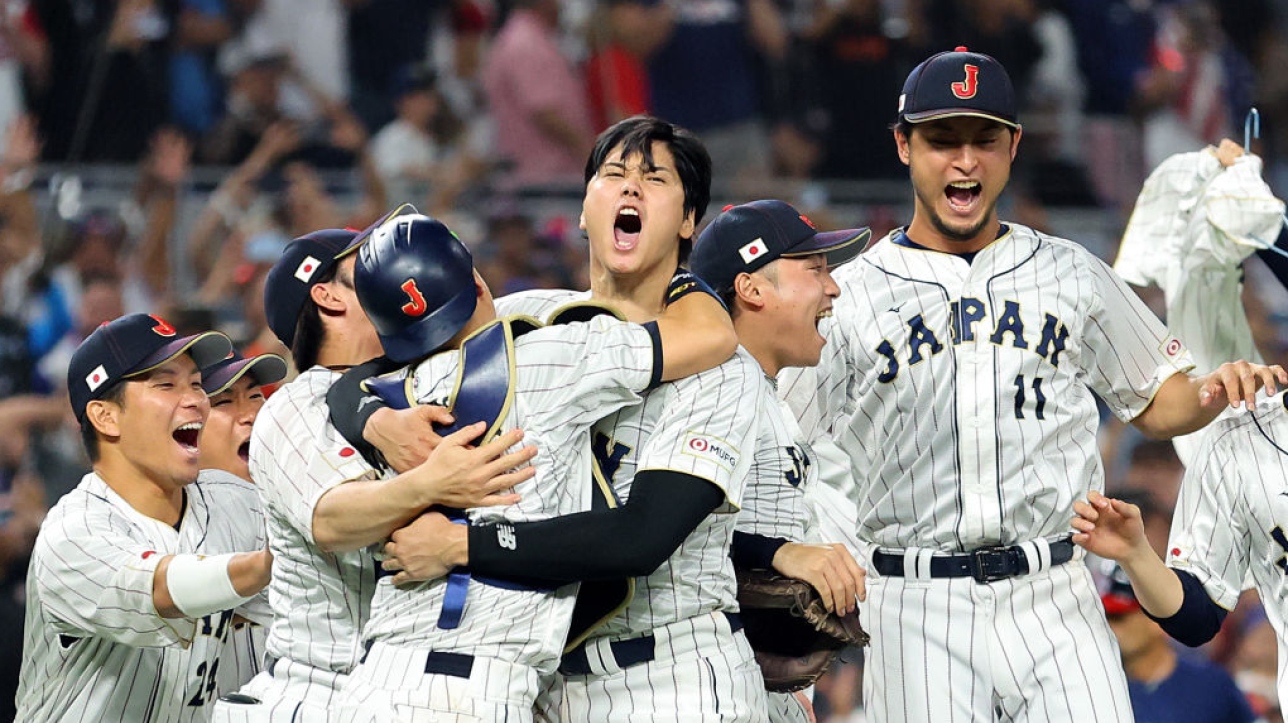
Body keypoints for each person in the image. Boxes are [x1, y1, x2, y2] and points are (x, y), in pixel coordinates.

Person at [776, 46, 1286, 723]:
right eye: (942, 139)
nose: (965, 160)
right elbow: (779, 444)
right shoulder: (854, 297)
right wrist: (790, 548)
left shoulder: (1071, 271)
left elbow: (1156, 400)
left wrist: (1211, 390)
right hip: (915, 597)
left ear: (1013, 145)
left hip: (1056, 591)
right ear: (903, 144)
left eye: (985, 139)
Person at [345, 115, 770, 721]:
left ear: (687, 220)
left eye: (654, 179)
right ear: (582, 209)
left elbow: (641, 538)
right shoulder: (526, 319)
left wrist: (462, 545)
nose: (630, 189)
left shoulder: (722, 367)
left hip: (669, 675)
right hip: (538, 683)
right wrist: (374, 421)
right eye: (614, 174)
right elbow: (356, 378)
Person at [210, 221, 541, 722]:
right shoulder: (298, 403)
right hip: (316, 690)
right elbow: (332, 519)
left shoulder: (423, 378)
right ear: (328, 297)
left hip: (414, 690)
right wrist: (431, 483)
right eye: (361, 265)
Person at [16, 313, 273, 721]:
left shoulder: (233, 502)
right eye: (167, 384)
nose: (194, 399)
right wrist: (266, 563)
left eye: (195, 383)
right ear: (106, 416)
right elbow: (161, 590)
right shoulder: (72, 533)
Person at [688, 199, 871, 722]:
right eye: (814, 270)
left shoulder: (761, 392)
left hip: (748, 676)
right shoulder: (716, 390)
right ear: (751, 289)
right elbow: (657, 526)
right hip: (702, 679)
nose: (833, 287)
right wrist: (777, 553)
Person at [195, 350, 289, 696]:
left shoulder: (298, 499)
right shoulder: (173, 521)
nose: (250, 415)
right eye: (223, 403)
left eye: (255, 396)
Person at [1100, 560, 1259, 723]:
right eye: (1105, 617)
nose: (1109, 628)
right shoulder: (1097, 691)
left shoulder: (1211, 687)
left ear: (1157, 621)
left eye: (1118, 618)